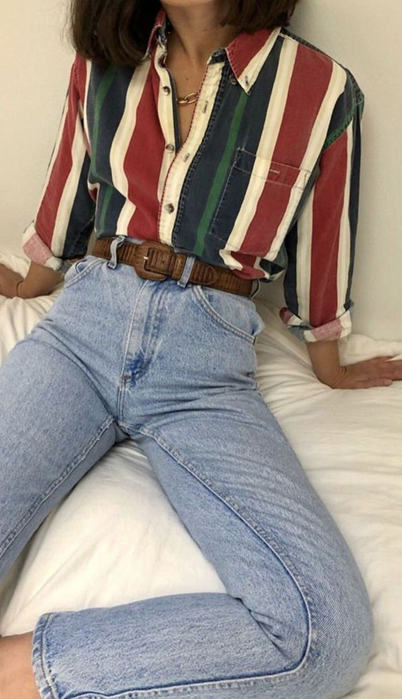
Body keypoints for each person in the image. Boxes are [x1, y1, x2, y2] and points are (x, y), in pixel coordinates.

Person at [1, 0, 400, 697]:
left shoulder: (323, 91)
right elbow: (69, 194)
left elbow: (324, 244)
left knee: (325, 634)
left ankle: (23, 671)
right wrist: (27, 284)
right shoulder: (102, 63)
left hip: (205, 368)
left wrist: (330, 365)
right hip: (81, 331)